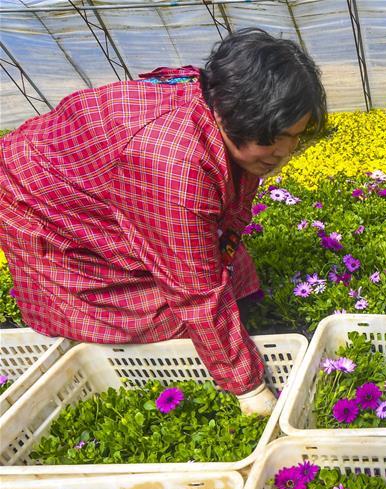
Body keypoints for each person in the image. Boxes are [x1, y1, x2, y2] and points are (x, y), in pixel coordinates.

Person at [0, 28, 326, 415]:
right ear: (238, 111)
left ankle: (235, 337)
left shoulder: (217, 102)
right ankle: (124, 362)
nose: (285, 152)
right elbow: (195, 290)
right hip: (39, 198)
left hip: (98, 174)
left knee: (216, 267)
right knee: (147, 310)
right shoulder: (172, 167)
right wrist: (249, 390)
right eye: (277, 136)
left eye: (295, 137)